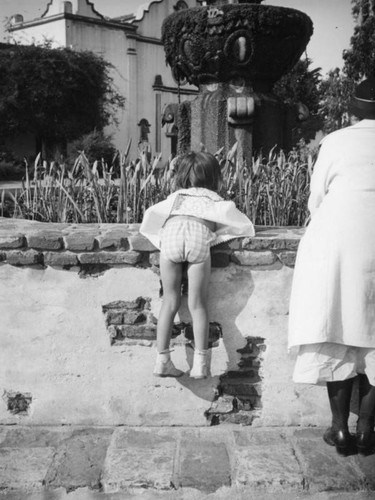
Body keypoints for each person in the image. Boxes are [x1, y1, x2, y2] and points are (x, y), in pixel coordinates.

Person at [288, 77, 375, 456]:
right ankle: (368, 428)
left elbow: (316, 198)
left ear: (354, 111)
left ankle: (340, 431)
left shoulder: (336, 140)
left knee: (336, 329)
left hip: (336, 238)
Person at [140, 151, 254, 379]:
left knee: (169, 302)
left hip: (171, 236)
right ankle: (201, 364)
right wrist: (217, 236)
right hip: (198, 239)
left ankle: (162, 360)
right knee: (198, 305)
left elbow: (151, 215)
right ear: (214, 176)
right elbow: (242, 224)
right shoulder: (213, 199)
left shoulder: (176, 197)